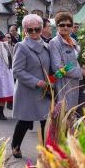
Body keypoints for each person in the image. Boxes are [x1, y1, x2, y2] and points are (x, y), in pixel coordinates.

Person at [11, 14, 52, 158]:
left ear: (42, 29)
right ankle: (15, 146)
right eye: (30, 30)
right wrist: (36, 81)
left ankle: (46, 149)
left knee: (45, 121)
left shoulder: (47, 46)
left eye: (37, 29)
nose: (34, 32)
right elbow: (17, 70)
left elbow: (51, 67)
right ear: (25, 30)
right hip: (27, 91)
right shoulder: (21, 46)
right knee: (24, 121)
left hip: (44, 91)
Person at [49, 12, 85, 112]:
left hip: (77, 82)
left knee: (74, 115)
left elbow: (77, 60)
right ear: (57, 26)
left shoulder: (73, 40)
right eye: (62, 25)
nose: (65, 27)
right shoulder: (54, 42)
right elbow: (58, 68)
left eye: (69, 25)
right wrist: (80, 71)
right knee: (64, 116)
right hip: (64, 85)